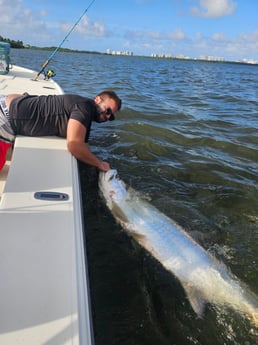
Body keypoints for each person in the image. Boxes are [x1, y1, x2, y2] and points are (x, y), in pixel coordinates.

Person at [0, 90, 122, 171]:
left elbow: (83, 146)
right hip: (6, 118)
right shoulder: (84, 109)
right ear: (97, 100)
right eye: (107, 111)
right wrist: (100, 164)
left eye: (111, 116)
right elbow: (74, 146)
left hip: (10, 104)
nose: (107, 117)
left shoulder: (85, 108)